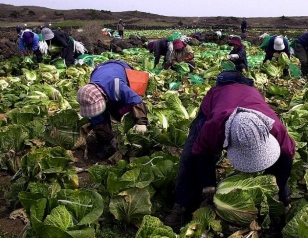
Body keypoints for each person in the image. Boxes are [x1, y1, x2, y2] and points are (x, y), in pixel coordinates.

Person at [163, 70, 296, 228]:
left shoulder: (276, 128)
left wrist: (276, 190)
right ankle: (182, 204)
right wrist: (208, 183)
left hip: (249, 95)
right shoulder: (214, 126)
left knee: (279, 174)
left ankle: (283, 198)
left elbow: (286, 157)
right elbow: (200, 153)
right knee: (189, 156)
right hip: (217, 100)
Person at [76, 60, 148, 160]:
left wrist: (141, 122)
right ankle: (104, 143)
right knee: (98, 116)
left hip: (119, 68)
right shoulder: (90, 90)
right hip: (100, 71)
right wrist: (109, 139)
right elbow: (97, 120)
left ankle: (130, 139)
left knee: (124, 108)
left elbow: (135, 100)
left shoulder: (117, 85)